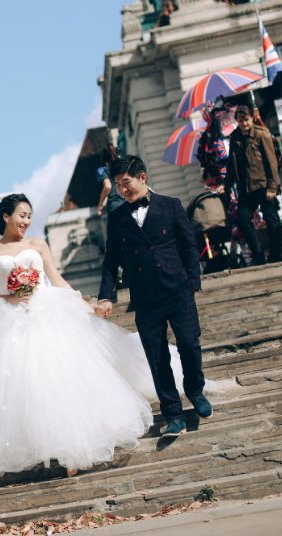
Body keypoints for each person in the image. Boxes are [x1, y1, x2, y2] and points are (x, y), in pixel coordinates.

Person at [0, 194, 165, 476]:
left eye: (29, 216)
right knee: (22, 382)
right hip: (11, 318)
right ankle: (35, 446)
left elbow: (57, 281)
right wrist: (10, 296)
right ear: (6, 216)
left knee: (59, 379)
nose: (26, 222)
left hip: (47, 312)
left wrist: (86, 305)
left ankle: (71, 450)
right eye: (21, 215)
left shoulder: (38, 244)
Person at [95, 155, 212, 439]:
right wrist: (105, 296)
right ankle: (172, 414)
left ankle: (195, 390)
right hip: (145, 297)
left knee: (188, 344)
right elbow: (111, 261)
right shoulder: (118, 217)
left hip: (177, 289)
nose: (123, 190)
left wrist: (192, 282)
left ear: (142, 178)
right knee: (156, 357)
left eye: (127, 183)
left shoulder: (170, 205)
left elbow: (188, 244)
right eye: (119, 186)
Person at [223, 106, 282, 265]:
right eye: (241, 121)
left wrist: (272, 186)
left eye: (246, 120)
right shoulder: (235, 138)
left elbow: (272, 162)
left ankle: (277, 253)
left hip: (263, 185)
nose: (244, 124)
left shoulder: (261, 134)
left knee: (272, 219)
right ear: (237, 121)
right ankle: (258, 255)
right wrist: (226, 185)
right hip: (246, 188)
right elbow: (231, 165)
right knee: (243, 219)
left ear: (251, 118)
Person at [96, 145, 125, 216]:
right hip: (129, 204)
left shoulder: (103, 170)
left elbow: (107, 187)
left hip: (116, 207)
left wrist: (100, 206)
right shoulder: (123, 167)